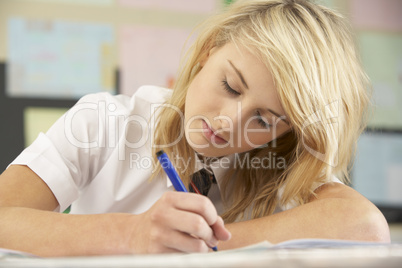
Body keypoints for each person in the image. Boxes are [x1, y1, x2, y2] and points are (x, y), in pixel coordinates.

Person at [0, 0, 390, 257]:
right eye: (230, 86)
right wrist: (131, 237)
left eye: (264, 120)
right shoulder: (105, 122)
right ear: (210, 51)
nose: (228, 123)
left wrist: (197, 250)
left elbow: (367, 227)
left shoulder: (283, 160)